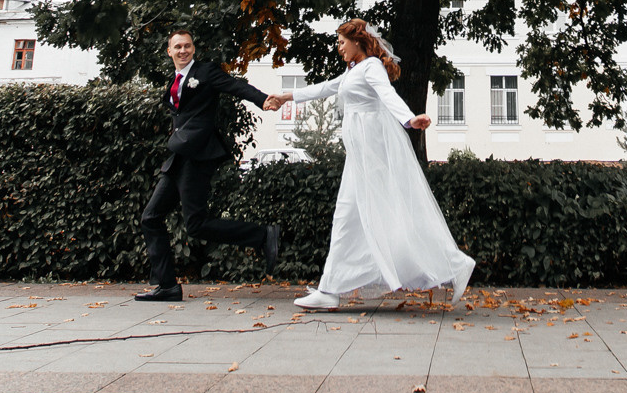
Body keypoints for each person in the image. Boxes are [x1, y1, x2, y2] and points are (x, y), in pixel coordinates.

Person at [268, 19, 475, 310]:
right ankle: (330, 289)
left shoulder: (372, 67)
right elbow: (325, 88)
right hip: (359, 155)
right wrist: (286, 96)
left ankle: (453, 263)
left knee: (372, 214)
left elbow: (387, 95)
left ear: (357, 41)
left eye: (342, 42)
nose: (339, 48)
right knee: (348, 217)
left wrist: (410, 119)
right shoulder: (353, 71)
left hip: (371, 152)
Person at [136, 29, 284, 302]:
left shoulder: (205, 72)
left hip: (198, 156)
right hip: (178, 157)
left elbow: (234, 86)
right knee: (151, 218)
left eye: (187, 46)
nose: (183, 51)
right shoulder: (176, 79)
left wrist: (262, 99)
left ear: (194, 49)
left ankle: (262, 235)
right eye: (178, 47)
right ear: (169, 51)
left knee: (196, 224)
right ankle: (167, 286)